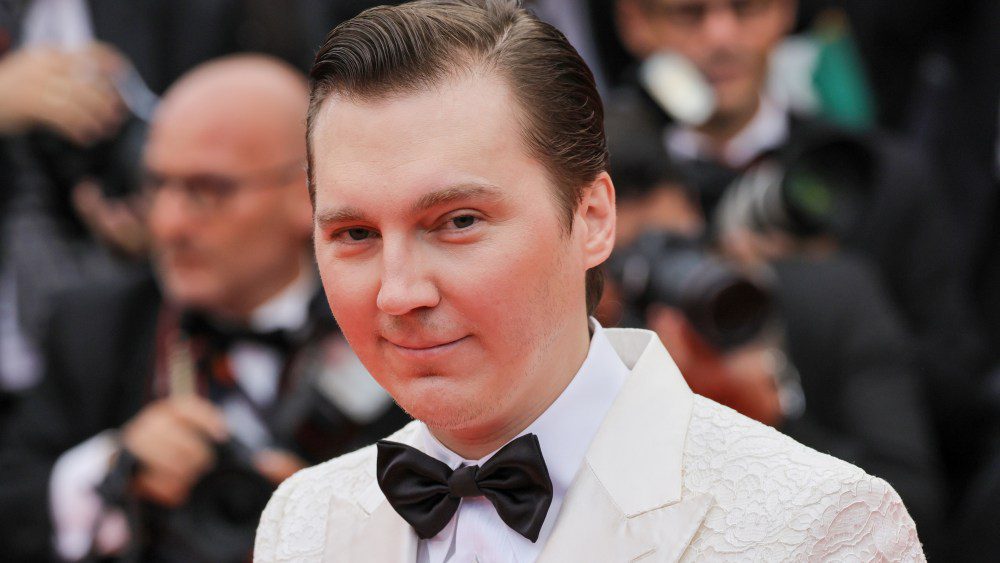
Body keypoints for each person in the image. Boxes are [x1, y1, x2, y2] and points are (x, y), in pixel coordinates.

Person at [255, 1, 923, 561]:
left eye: (458, 221)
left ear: (594, 218)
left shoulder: (821, 526)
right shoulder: (302, 522)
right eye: (355, 235)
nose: (398, 292)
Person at [0, 55, 408, 562]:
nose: (168, 224)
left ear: (310, 190)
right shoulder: (96, 325)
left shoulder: (394, 319)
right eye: (157, 186)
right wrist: (111, 468)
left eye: (207, 191)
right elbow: (13, 499)